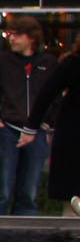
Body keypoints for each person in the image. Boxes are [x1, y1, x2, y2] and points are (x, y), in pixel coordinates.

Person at [0, 14, 57, 215]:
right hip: (7, 130)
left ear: (31, 37)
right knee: (1, 190)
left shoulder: (48, 62)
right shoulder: (0, 60)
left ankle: (27, 241)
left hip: (36, 132)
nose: (11, 38)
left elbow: (56, 96)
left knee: (29, 192)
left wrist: (47, 124)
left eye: (17, 34)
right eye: (10, 34)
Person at [26, 34, 80, 217]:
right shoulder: (72, 64)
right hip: (73, 136)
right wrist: (31, 127)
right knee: (72, 199)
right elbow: (45, 96)